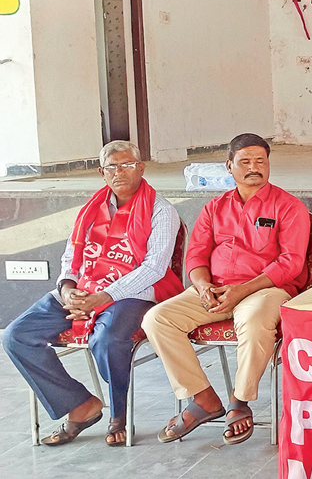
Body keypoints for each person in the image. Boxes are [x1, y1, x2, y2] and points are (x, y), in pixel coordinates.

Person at [2, 141, 181, 446]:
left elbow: (154, 268)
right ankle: (80, 405)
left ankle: (119, 414)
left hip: (133, 293)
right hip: (84, 288)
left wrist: (106, 295)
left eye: (127, 165)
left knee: (107, 339)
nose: (119, 172)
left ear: (141, 168)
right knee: (16, 336)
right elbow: (71, 256)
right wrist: (67, 288)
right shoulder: (90, 210)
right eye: (112, 167)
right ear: (102, 172)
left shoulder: (161, 211)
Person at [142, 133, 310, 445]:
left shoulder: (288, 206)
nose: (254, 167)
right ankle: (203, 398)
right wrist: (203, 286)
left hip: (265, 289)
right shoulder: (214, 208)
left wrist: (242, 290)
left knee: (255, 319)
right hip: (214, 289)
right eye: (245, 162)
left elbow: (291, 263)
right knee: (157, 319)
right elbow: (196, 256)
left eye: (260, 161)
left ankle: (239, 400)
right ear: (229, 166)